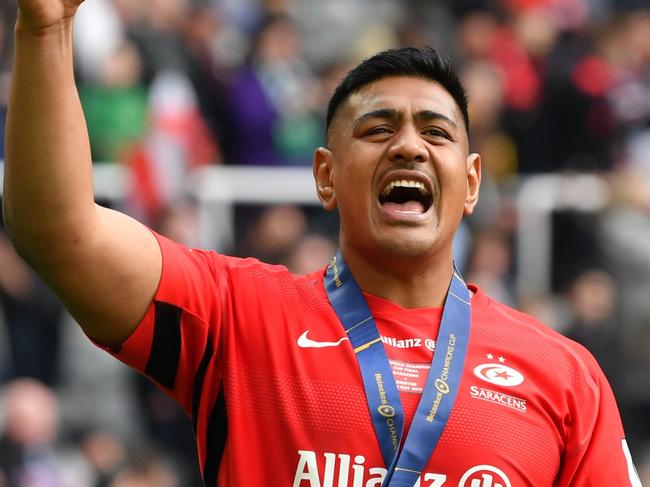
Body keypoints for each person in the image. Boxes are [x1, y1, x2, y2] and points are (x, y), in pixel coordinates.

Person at [1, 1, 642, 486]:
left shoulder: (565, 376)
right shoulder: (239, 314)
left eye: (437, 132)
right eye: (378, 127)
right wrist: (47, 29)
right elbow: (58, 229)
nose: (409, 145)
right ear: (326, 177)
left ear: (471, 183)